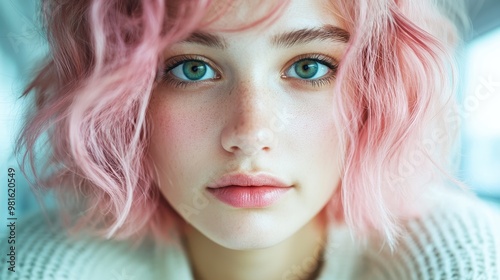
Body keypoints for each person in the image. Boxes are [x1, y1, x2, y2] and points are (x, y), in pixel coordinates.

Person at [1, 0, 499, 279]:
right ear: (120, 101)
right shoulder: (37, 261)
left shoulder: (467, 258)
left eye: (310, 67)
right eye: (192, 69)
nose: (250, 134)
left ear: (377, 92)